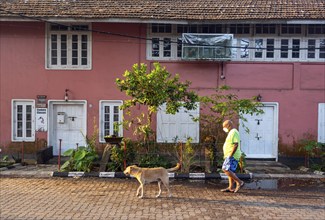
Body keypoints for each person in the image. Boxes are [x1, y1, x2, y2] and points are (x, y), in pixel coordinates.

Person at [220, 120, 245, 193]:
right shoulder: (231, 132)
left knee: (225, 169)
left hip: (232, 156)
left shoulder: (234, 132)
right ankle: (230, 187)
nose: (224, 128)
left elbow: (236, 144)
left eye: (224, 127)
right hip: (230, 155)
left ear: (228, 125)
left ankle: (239, 182)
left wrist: (230, 155)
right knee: (230, 170)